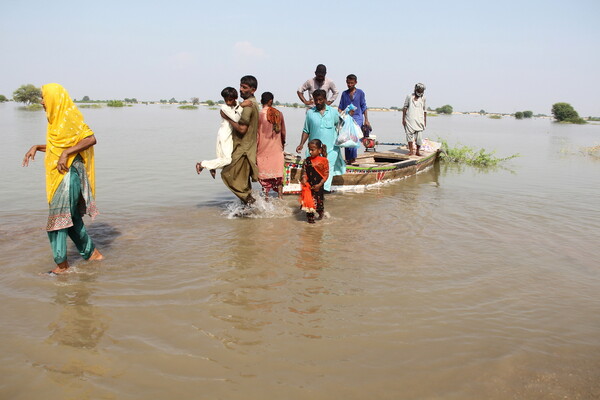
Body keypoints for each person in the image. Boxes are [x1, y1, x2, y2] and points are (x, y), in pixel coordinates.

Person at [22, 83, 103, 275]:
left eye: (43, 97)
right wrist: (37, 147)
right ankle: (93, 255)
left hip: (68, 177)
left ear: (54, 98)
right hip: (60, 176)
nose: (41, 102)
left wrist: (66, 153)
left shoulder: (69, 117)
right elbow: (58, 146)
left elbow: (90, 138)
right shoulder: (55, 121)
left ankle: (62, 266)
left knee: (57, 221)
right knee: (72, 220)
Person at [220, 75, 260, 204]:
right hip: (247, 147)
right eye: (241, 86)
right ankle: (249, 210)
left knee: (227, 174)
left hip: (243, 149)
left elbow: (242, 129)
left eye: (244, 87)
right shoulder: (251, 103)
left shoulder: (248, 106)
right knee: (242, 181)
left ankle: (251, 203)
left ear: (253, 90)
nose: (241, 89)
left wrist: (227, 118)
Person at [296, 89, 345, 192]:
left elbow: (338, 125)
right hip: (314, 150)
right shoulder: (310, 113)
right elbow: (306, 130)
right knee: (312, 171)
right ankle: (313, 192)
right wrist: (301, 144)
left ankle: (325, 191)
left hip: (330, 150)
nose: (318, 102)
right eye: (316, 100)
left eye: (320, 100)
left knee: (327, 170)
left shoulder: (333, 112)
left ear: (325, 99)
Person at [196, 87, 250, 179]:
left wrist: (240, 105)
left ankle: (211, 166)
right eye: (226, 100)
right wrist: (242, 106)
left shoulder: (237, 104)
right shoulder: (224, 107)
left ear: (235, 98)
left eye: (230, 100)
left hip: (228, 135)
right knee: (227, 160)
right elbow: (235, 118)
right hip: (224, 135)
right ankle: (202, 164)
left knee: (223, 161)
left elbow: (237, 109)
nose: (228, 102)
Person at [257, 92, 286, 198]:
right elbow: (283, 132)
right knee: (278, 175)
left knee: (264, 176)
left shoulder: (259, 114)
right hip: (277, 149)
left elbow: (256, 135)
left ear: (261, 101)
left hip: (262, 149)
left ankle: (265, 199)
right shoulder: (279, 113)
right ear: (271, 101)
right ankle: (280, 197)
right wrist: (282, 145)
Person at [338, 74, 370, 164]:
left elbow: (364, 106)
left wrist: (366, 120)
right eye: (348, 83)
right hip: (347, 118)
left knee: (353, 137)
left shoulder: (360, 93)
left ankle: (353, 159)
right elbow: (340, 107)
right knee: (346, 137)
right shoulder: (344, 94)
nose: (350, 85)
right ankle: (348, 158)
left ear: (356, 82)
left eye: (352, 83)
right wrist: (340, 115)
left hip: (358, 118)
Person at [300, 139, 329, 223]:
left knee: (319, 205)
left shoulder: (324, 161)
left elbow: (326, 174)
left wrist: (319, 185)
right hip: (309, 186)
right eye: (309, 149)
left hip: (318, 187)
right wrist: (304, 178)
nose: (310, 151)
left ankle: (321, 216)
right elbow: (305, 171)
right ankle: (311, 222)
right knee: (309, 206)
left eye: (312, 150)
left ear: (319, 150)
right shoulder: (307, 160)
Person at [402, 83, 427, 156]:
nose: (420, 92)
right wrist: (403, 119)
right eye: (419, 91)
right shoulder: (409, 96)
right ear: (415, 90)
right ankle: (411, 151)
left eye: (421, 91)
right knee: (409, 136)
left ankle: (417, 151)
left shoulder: (423, 98)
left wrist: (425, 121)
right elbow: (405, 108)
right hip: (409, 120)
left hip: (419, 120)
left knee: (419, 138)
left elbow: (425, 110)